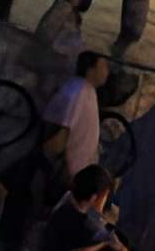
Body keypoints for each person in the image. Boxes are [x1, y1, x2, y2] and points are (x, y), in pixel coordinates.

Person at [40, 48, 114, 180]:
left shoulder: (83, 89)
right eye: (103, 66)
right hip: (69, 174)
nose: (107, 71)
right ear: (91, 70)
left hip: (77, 172)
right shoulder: (79, 93)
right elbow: (60, 137)